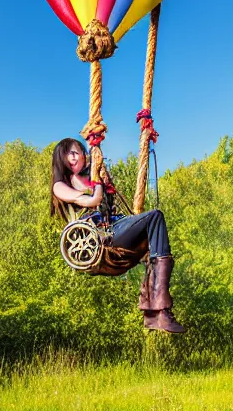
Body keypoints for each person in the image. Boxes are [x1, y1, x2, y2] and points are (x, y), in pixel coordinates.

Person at [50, 137, 185, 334]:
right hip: (103, 236)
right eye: (69, 153)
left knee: (154, 239)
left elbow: (101, 193)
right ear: (60, 158)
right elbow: (94, 199)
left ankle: (153, 316)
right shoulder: (61, 185)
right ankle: (161, 311)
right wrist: (97, 181)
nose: (75, 156)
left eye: (78, 151)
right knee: (155, 218)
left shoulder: (88, 176)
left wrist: (99, 172)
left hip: (115, 227)